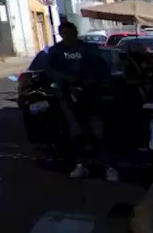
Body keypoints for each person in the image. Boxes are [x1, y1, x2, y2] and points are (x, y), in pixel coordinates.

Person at [45, 21, 117, 181]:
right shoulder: (56, 51)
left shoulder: (88, 49)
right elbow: (51, 71)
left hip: (91, 95)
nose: (68, 37)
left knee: (99, 131)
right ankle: (81, 165)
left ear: (76, 33)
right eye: (64, 34)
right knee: (76, 132)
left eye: (70, 33)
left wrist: (92, 79)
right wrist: (66, 79)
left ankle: (109, 166)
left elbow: (102, 68)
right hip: (68, 96)